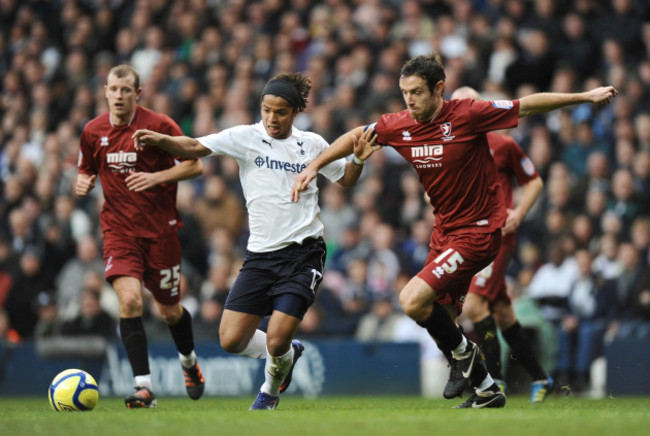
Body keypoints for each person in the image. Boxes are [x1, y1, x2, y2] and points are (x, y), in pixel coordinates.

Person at [292, 54, 617, 408]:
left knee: (412, 300)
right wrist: (314, 166)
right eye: (404, 93)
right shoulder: (400, 124)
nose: (409, 100)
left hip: (478, 233)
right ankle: (487, 389)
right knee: (444, 319)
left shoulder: (468, 115)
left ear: (439, 89)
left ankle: (471, 361)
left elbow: (527, 106)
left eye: (416, 92)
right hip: (443, 232)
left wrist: (584, 96)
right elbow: (358, 134)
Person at [132, 72, 378, 410]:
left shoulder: (313, 145)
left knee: (276, 339)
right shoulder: (245, 137)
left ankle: (269, 393)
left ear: (294, 112)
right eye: (266, 110)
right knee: (230, 339)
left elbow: (347, 179)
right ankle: (291, 354)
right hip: (260, 256)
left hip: (303, 254)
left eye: (280, 112)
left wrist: (360, 158)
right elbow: (192, 146)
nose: (271, 119)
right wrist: (161, 140)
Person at [76, 65, 205, 409]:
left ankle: (189, 362)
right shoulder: (92, 131)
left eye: (126, 90)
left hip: (161, 232)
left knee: (169, 310)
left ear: (138, 94)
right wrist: (83, 180)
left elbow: (195, 164)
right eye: (114, 89)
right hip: (118, 231)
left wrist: (156, 177)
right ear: (105, 91)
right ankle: (143, 387)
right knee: (130, 299)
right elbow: (87, 167)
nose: (119, 96)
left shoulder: (159, 125)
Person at [448, 86, 552, 403]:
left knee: (476, 305)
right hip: (469, 235)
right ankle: (541, 377)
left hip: (498, 236)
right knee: (503, 313)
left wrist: (519, 211)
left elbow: (534, 180)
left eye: (469, 104)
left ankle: (495, 382)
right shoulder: (453, 148)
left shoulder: (503, 145)